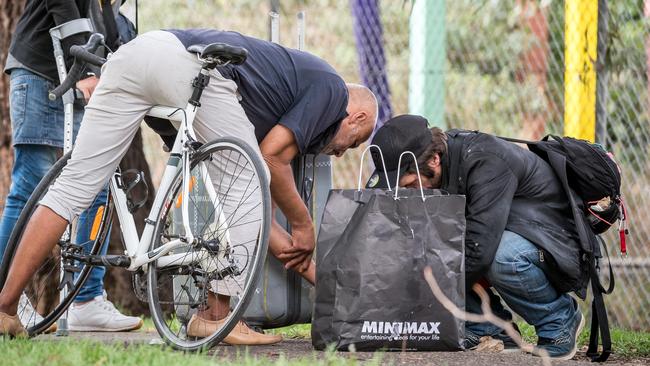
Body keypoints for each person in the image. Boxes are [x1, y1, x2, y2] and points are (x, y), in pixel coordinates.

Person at [0, 29, 378, 344]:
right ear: (357, 117)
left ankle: (5, 306)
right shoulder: (332, 91)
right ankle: (214, 315)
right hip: (188, 67)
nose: (345, 152)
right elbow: (272, 159)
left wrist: (319, 274)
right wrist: (304, 225)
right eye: (357, 142)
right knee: (252, 174)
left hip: (134, 56)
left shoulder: (268, 101)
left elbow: (248, 214)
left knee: (75, 184)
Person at [367, 114, 585, 360]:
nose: (408, 191)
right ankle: (490, 329)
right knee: (432, 245)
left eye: (410, 184)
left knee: (500, 257)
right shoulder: (447, 160)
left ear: (434, 160)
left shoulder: (487, 161)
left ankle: (559, 321)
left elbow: (479, 251)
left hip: (555, 242)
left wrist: (426, 297)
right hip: (511, 235)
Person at [0, 0, 142, 332]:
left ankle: (86, 300)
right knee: (31, 185)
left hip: (79, 79)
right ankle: (7, 297)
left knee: (98, 186)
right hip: (41, 76)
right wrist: (91, 71)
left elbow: (112, 35)